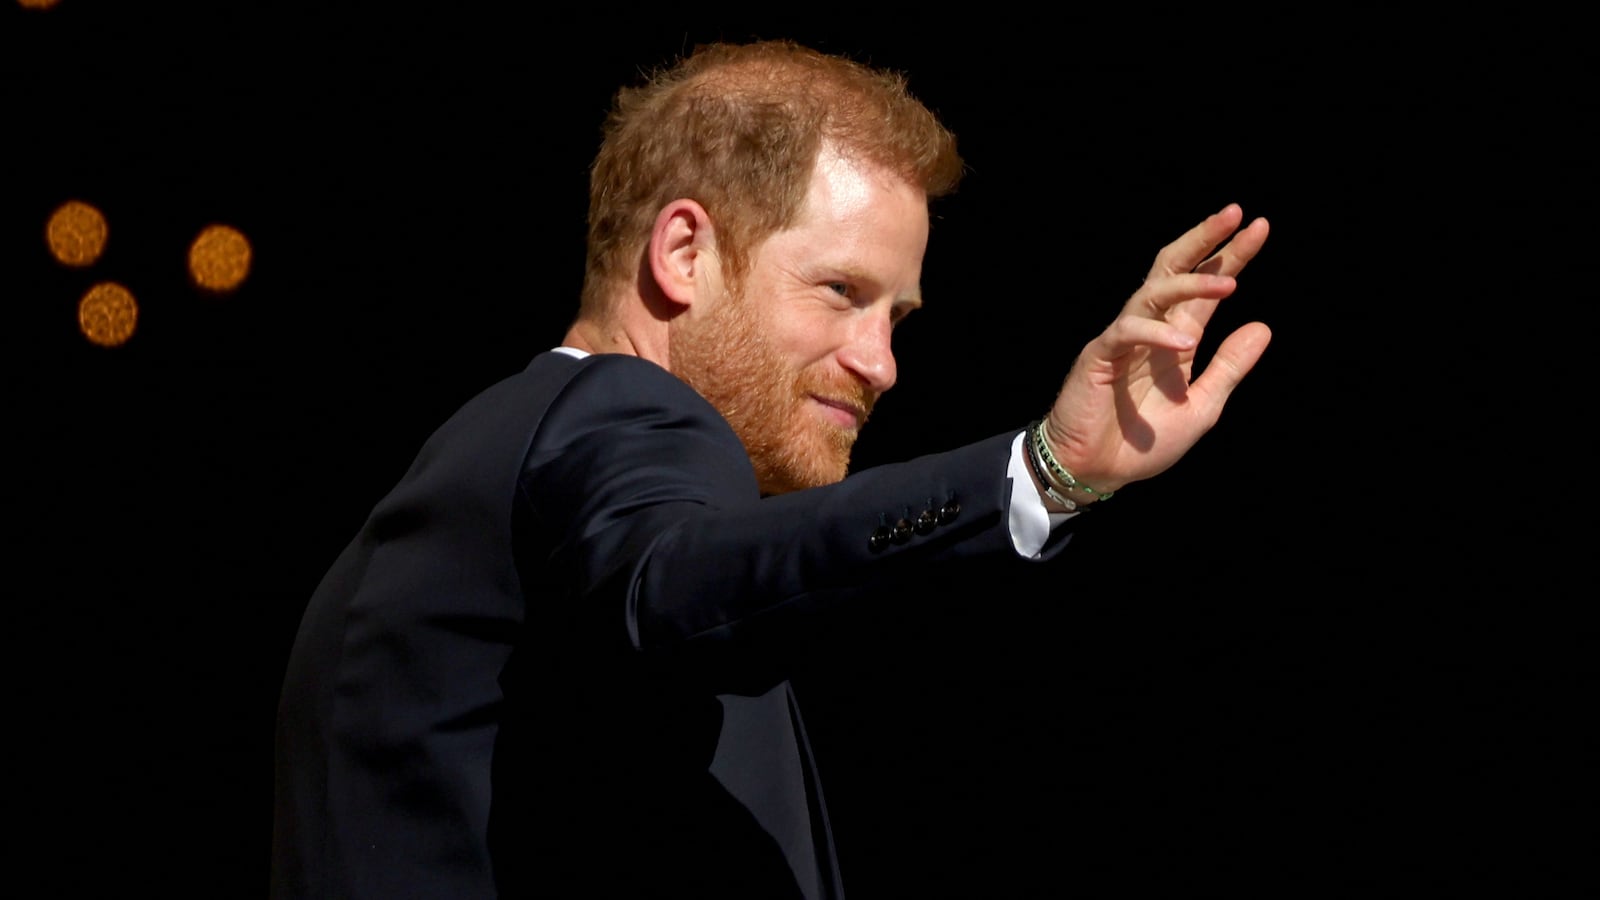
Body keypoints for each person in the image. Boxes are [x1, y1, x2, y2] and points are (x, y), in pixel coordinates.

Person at [270, 39, 1272, 899]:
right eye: (840, 290)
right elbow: (676, 580)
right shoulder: (618, 411)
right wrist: (1043, 471)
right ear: (682, 254)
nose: (880, 364)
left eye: (897, 319)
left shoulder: (478, 485)